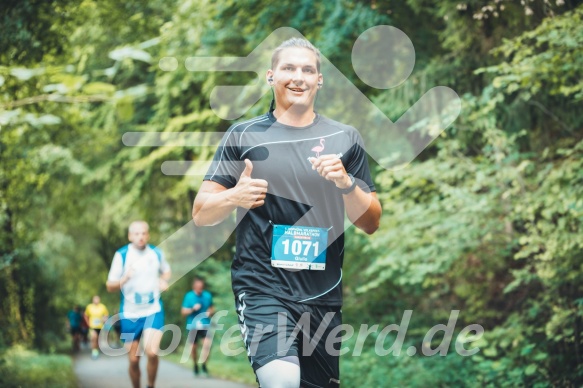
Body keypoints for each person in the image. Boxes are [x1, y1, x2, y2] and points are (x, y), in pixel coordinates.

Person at [192, 38, 381, 388]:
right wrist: (235, 195)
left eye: (308, 70)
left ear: (319, 80)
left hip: (322, 295)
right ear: (270, 76)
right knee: (282, 382)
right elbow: (202, 213)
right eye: (289, 68)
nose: (299, 77)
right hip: (262, 287)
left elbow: (371, 222)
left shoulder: (345, 138)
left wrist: (345, 183)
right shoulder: (242, 135)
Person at [106, 220, 171, 388]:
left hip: (153, 309)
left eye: (143, 233)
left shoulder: (156, 253)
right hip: (130, 313)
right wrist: (124, 278)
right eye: (136, 233)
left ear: (148, 235)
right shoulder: (122, 255)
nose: (140, 237)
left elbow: (166, 271)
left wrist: (163, 281)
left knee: (152, 351)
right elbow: (110, 286)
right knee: (134, 360)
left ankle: (150, 385)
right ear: (130, 236)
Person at [181, 277, 215, 377]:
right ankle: (195, 365)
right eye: (198, 287)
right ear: (194, 287)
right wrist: (192, 309)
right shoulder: (189, 296)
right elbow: (183, 312)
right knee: (194, 348)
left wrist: (210, 312)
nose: (200, 289)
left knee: (207, 345)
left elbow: (212, 307)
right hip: (193, 325)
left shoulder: (207, 295)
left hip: (205, 324)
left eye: (201, 287)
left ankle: (204, 365)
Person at [84, 295, 109, 359]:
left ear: (99, 300)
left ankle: (96, 349)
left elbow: (106, 315)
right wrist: (88, 323)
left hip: (100, 326)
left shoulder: (102, 307)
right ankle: (94, 352)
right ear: (93, 300)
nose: (96, 300)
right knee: (94, 337)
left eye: (97, 299)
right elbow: (85, 315)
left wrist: (104, 319)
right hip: (92, 326)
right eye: (95, 299)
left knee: (98, 339)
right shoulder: (89, 307)